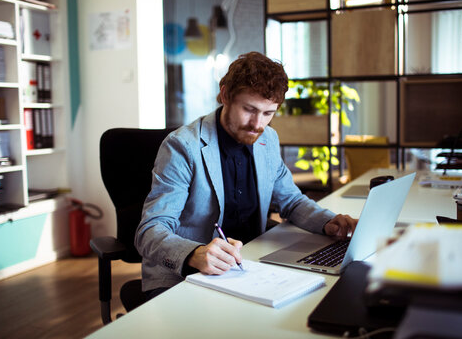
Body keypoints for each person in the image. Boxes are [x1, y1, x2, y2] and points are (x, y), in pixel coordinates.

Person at [135, 52, 357, 299]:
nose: (257, 124)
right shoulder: (182, 146)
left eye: (268, 113)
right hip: (187, 275)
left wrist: (330, 222)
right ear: (225, 94)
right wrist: (194, 253)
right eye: (249, 110)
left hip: (251, 268)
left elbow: (292, 201)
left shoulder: (268, 139)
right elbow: (150, 231)